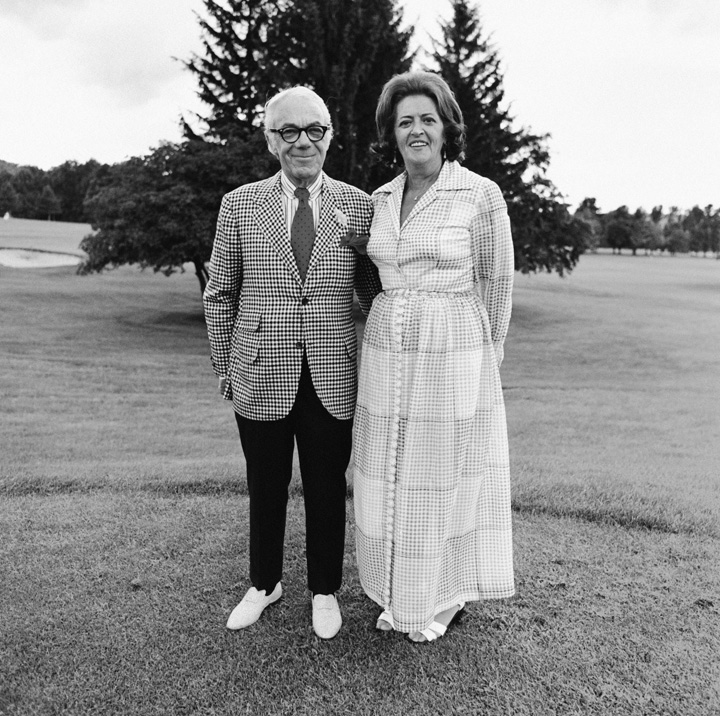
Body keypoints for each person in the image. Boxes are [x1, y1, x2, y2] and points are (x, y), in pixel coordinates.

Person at [203, 86, 381, 639]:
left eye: (314, 131)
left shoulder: (361, 205)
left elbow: (374, 292)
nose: (302, 141)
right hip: (259, 371)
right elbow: (219, 296)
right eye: (289, 131)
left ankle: (324, 590)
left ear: (330, 136)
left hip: (333, 372)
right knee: (266, 483)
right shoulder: (239, 204)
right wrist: (225, 369)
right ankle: (264, 583)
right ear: (270, 139)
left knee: (328, 484)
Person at [353, 71, 515, 643]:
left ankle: (443, 595)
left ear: (447, 127)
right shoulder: (379, 199)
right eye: (404, 122)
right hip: (386, 353)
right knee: (388, 472)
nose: (416, 130)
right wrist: (387, 315)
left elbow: (497, 281)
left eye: (427, 118)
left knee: (442, 474)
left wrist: (486, 362)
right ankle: (397, 591)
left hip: (452, 353)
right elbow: (371, 279)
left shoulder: (480, 194)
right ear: (390, 134)